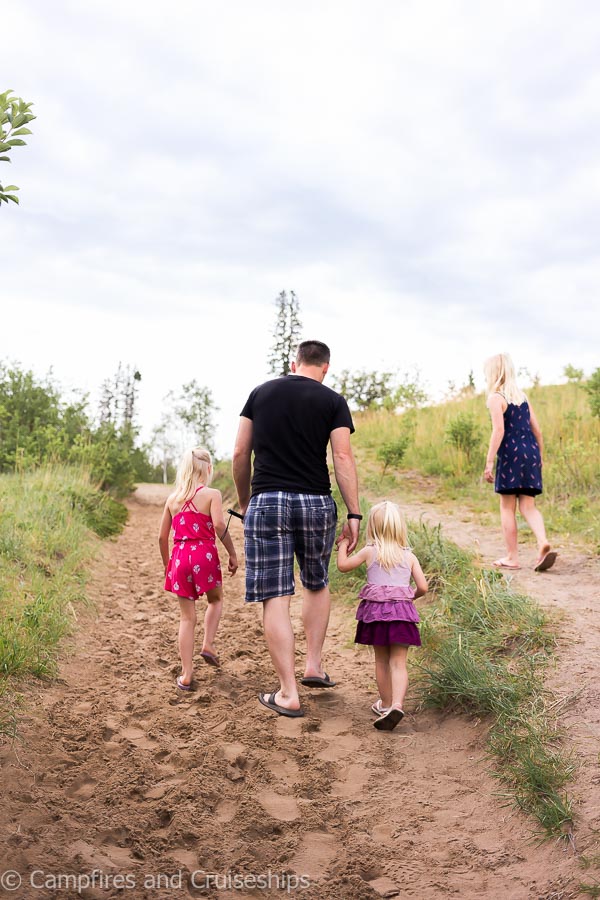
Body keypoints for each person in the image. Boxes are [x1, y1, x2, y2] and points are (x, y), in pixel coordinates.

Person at [232, 339, 361, 718]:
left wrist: (245, 501)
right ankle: (314, 666)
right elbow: (341, 456)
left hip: (268, 500)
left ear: (295, 362)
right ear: (325, 367)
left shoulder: (260, 392)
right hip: (315, 502)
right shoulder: (332, 400)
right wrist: (354, 513)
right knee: (316, 582)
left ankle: (288, 692)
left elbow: (240, 453)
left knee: (276, 595)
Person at [337, 500, 427, 731]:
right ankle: (397, 704)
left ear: (372, 528)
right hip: (402, 616)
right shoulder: (409, 557)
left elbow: (343, 566)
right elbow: (423, 587)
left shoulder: (370, 551)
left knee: (381, 661)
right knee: (399, 663)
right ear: (400, 528)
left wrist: (343, 543)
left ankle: (385, 704)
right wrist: (408, 597)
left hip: (376, 615)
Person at [159, 447, 238, 690]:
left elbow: (162, 538)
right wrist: (232, 553)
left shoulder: (173, 500)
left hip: (180, 558)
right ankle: (208, 644)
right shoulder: (212, 494)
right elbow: (218, 524)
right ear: (208, 469)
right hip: (204, 555)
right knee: (215, 600)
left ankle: (186, 675)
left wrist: (167, 565)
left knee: (186, 617)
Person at [483, 353, 557, 572]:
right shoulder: (522, 397)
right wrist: (540, 456)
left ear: (493, 373)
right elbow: (538, 430)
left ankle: (512, 557)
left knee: (507, 507)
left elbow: (499, 431)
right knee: (528, 505)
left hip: (511, 455)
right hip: (531, 452)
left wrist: (489, 462)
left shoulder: (496, 397)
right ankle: (542, 541)